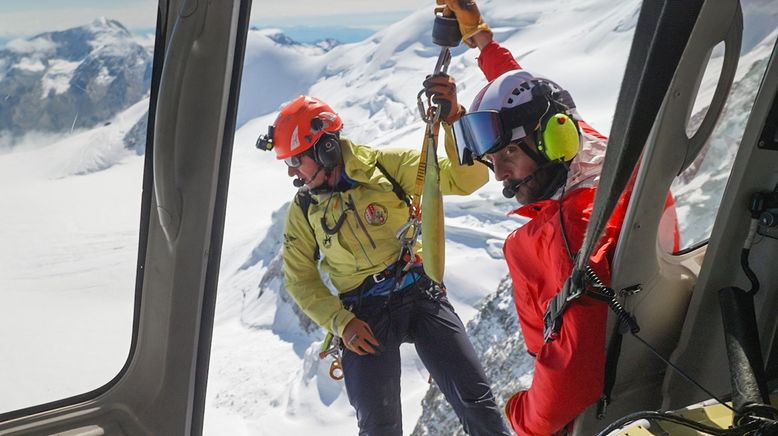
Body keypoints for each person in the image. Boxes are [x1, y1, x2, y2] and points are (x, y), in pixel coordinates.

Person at [425, 1, 679, 435]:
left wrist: (518, 414)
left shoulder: (569, 233)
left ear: (550, 140)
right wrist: (481, 41)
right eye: (493, 157)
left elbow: (570, 379)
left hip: (594, 409)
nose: (501, 175)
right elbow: (535, 102)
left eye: (507, 154)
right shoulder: (611, 160)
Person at [257, 95, 511, 435]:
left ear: (325, 149)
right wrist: (342, 324)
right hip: (362, 315)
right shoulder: (303, 209)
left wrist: (453, 121)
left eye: (296, 161)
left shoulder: (387, 167)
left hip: (419, 291)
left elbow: (466, 180)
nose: (293, 173)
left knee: (476, 402)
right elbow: (299, 277)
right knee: (379, 426)